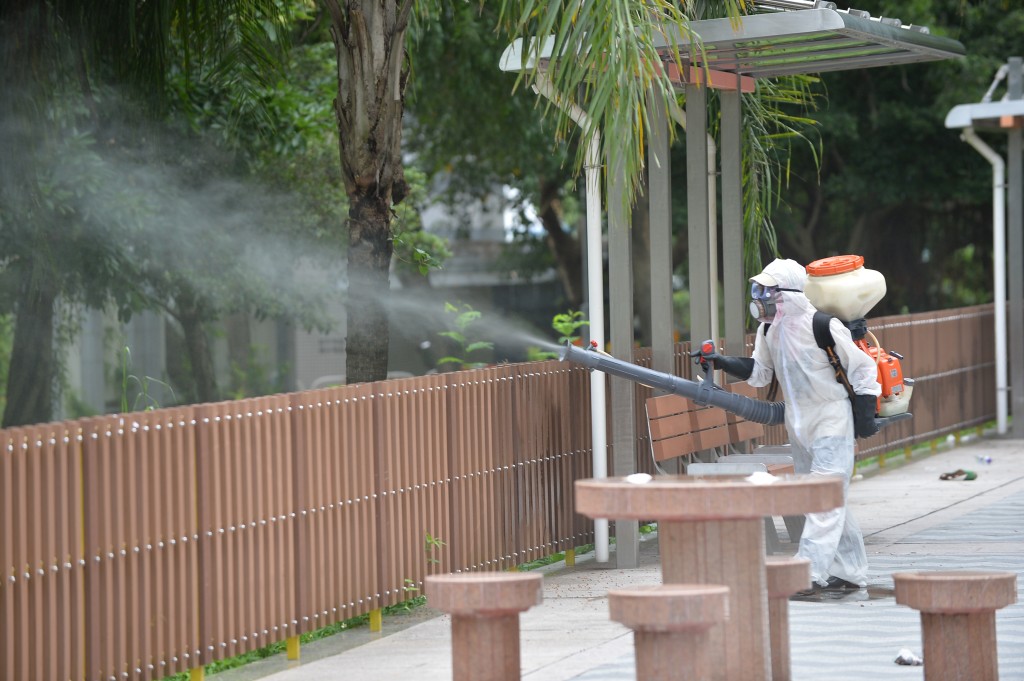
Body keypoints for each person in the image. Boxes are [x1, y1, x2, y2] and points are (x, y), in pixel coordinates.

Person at [705, 258, 881, 592]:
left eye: (768, 290)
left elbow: (861, 369)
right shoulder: (769, 329)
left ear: (791, 292)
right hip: (799, 424)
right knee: (825, 500)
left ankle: (807, 573)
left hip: (831, 420)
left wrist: (866, 411)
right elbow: (760, 373)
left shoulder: (823, 325)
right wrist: (724, 362)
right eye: (759, 289)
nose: (761, 296)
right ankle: (851, 571)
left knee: (823, 499)